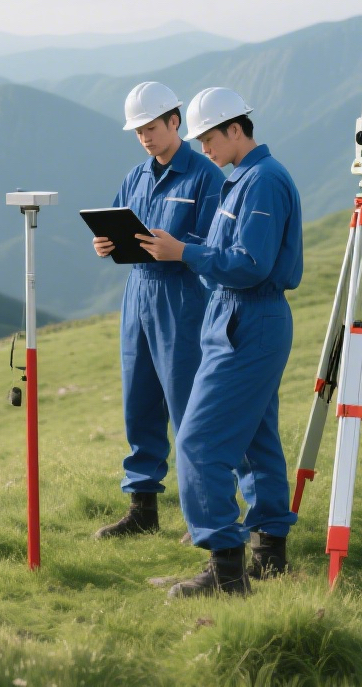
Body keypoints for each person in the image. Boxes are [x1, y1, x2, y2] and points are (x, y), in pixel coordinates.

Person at [139, 87, 302, 597]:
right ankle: (269, 551)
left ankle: (225, 572)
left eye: (209, 137)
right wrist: (190, 250)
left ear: (236, 129)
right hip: (235, 316)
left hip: (248, 318)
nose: (204, 148)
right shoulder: (242, 179)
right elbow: (227, 249)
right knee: (255, 438)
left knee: (198, 442)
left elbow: (251, 265)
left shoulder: (264, 183)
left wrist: (183, 253)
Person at [90, 82, 225, 539]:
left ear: (175, 121)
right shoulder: (136, 176)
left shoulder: (206, 176)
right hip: (137, 296)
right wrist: (104, 244)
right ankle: (142, 508)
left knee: (189, 405)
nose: (145, 137)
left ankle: (200, 513)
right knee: (140, 401)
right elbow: (117, 221)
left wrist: (181, 248)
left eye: (151, 127)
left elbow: (218, 243)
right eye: (138, 130)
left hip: (182, 297)